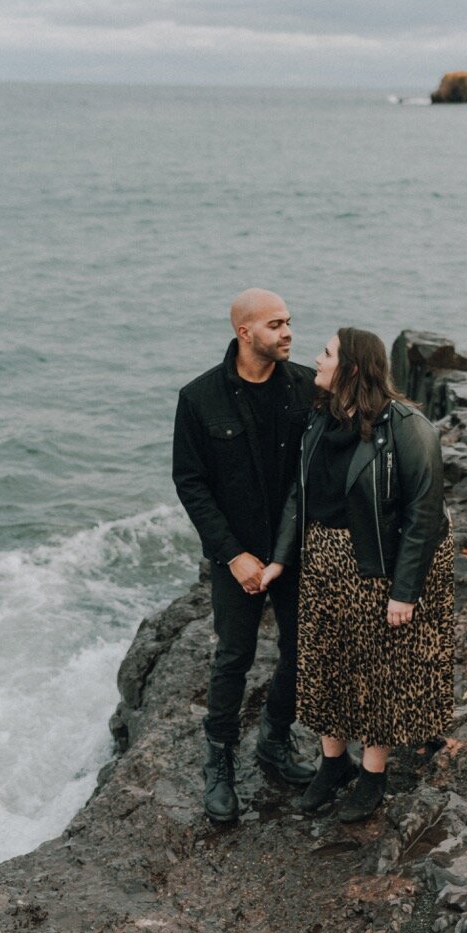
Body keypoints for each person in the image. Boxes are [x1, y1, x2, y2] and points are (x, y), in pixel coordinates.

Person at [266, 327, 455, 823]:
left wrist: (404, 592)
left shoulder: (409, 428)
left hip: (380, 561)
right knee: (324, 662)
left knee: (378, 670)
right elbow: (297, 495)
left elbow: (425, 514)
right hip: (323, 560)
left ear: (351, 368)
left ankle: (373, 774)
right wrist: (282, 558)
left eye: (326, 354)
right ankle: (334, 764)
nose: (317, 360)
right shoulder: (319, 419)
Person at [171, 288, 320, 824]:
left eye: (289, 322)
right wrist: (233, 556)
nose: (287, 333)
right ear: (245, 332)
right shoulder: (199, 398)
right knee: (233, 657)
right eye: (276, 324)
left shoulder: (306, 386)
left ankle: (274, 742)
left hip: (296, 550)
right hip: (236, 556)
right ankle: (220, 764)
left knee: (302, 652)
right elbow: (190, 483)